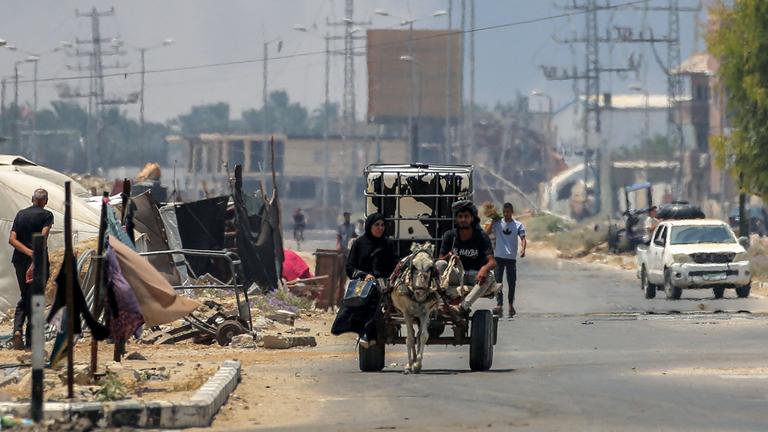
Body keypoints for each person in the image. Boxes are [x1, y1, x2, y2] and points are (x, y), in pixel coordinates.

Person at [332, 213, 398, 347]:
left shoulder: (388, 244)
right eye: (377, 225)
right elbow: (350, 268)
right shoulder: (359, 243)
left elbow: (395, 265)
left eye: (382, 225)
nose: (380, 228)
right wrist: (364, 275)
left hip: (385, 283)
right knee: (370, 297)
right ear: (369, 226)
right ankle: (367, 333)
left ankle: (368, 334)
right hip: (363, 284)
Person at [8, 189, 53, 350]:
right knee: (37, 298)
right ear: (45, 201)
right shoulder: (47, 215)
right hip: (38, 263)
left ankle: (18, 330)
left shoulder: (20, 214)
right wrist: (34, 257)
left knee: (25, 295)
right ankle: (31, 340)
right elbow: (42, 238)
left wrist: (26, 252)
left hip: (19, 260)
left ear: (32, 199)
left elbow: (12, 240)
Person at [436, 200, 497, 317]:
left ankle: (462, 307)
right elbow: (440, 260)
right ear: (456, 219)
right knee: (439, 265)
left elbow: (492, 261)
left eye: (466, 216)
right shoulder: (449, 236)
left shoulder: (481, 236)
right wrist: (449, 257)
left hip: (475, 276)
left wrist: (484, 268)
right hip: (457, 275)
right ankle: (441, 305)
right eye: (460, 217)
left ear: (472, 218)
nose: (463, 219)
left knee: (489, 276)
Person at [484, 202, 526, 317]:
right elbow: (486, 233)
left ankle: (511, 305)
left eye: (508, 212)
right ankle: (499, 304)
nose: (506, 214)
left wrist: (523, 249)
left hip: (511, 258)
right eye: (504, 212)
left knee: (512, 283)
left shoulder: (518, 225)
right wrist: (493, 221)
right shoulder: (498, 223)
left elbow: (523, 238)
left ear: (512, 212)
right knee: (498, 282)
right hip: (499, 257)